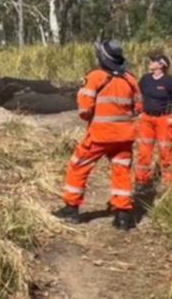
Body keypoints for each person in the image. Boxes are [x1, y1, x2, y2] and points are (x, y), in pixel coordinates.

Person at [53, 41, 141, 231]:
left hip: (100, 135)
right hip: (125, 136)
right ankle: (123, 215)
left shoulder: (95, 77)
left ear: (102, 58)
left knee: (77, 166)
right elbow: (139, 108)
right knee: (121, 171)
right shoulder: (131, 80)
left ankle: (71, 209)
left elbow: (84, 109)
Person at [135, 53, 172, 189]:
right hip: (146, 120)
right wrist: (139, 112)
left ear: (161, 65)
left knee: (165, 152)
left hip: (163, 120)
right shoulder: (145, 79)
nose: (150, 63)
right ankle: (141, 181)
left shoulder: (169, 81)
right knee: (144, 152)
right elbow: (137, 95)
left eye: (153, 61)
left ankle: (168, 183)